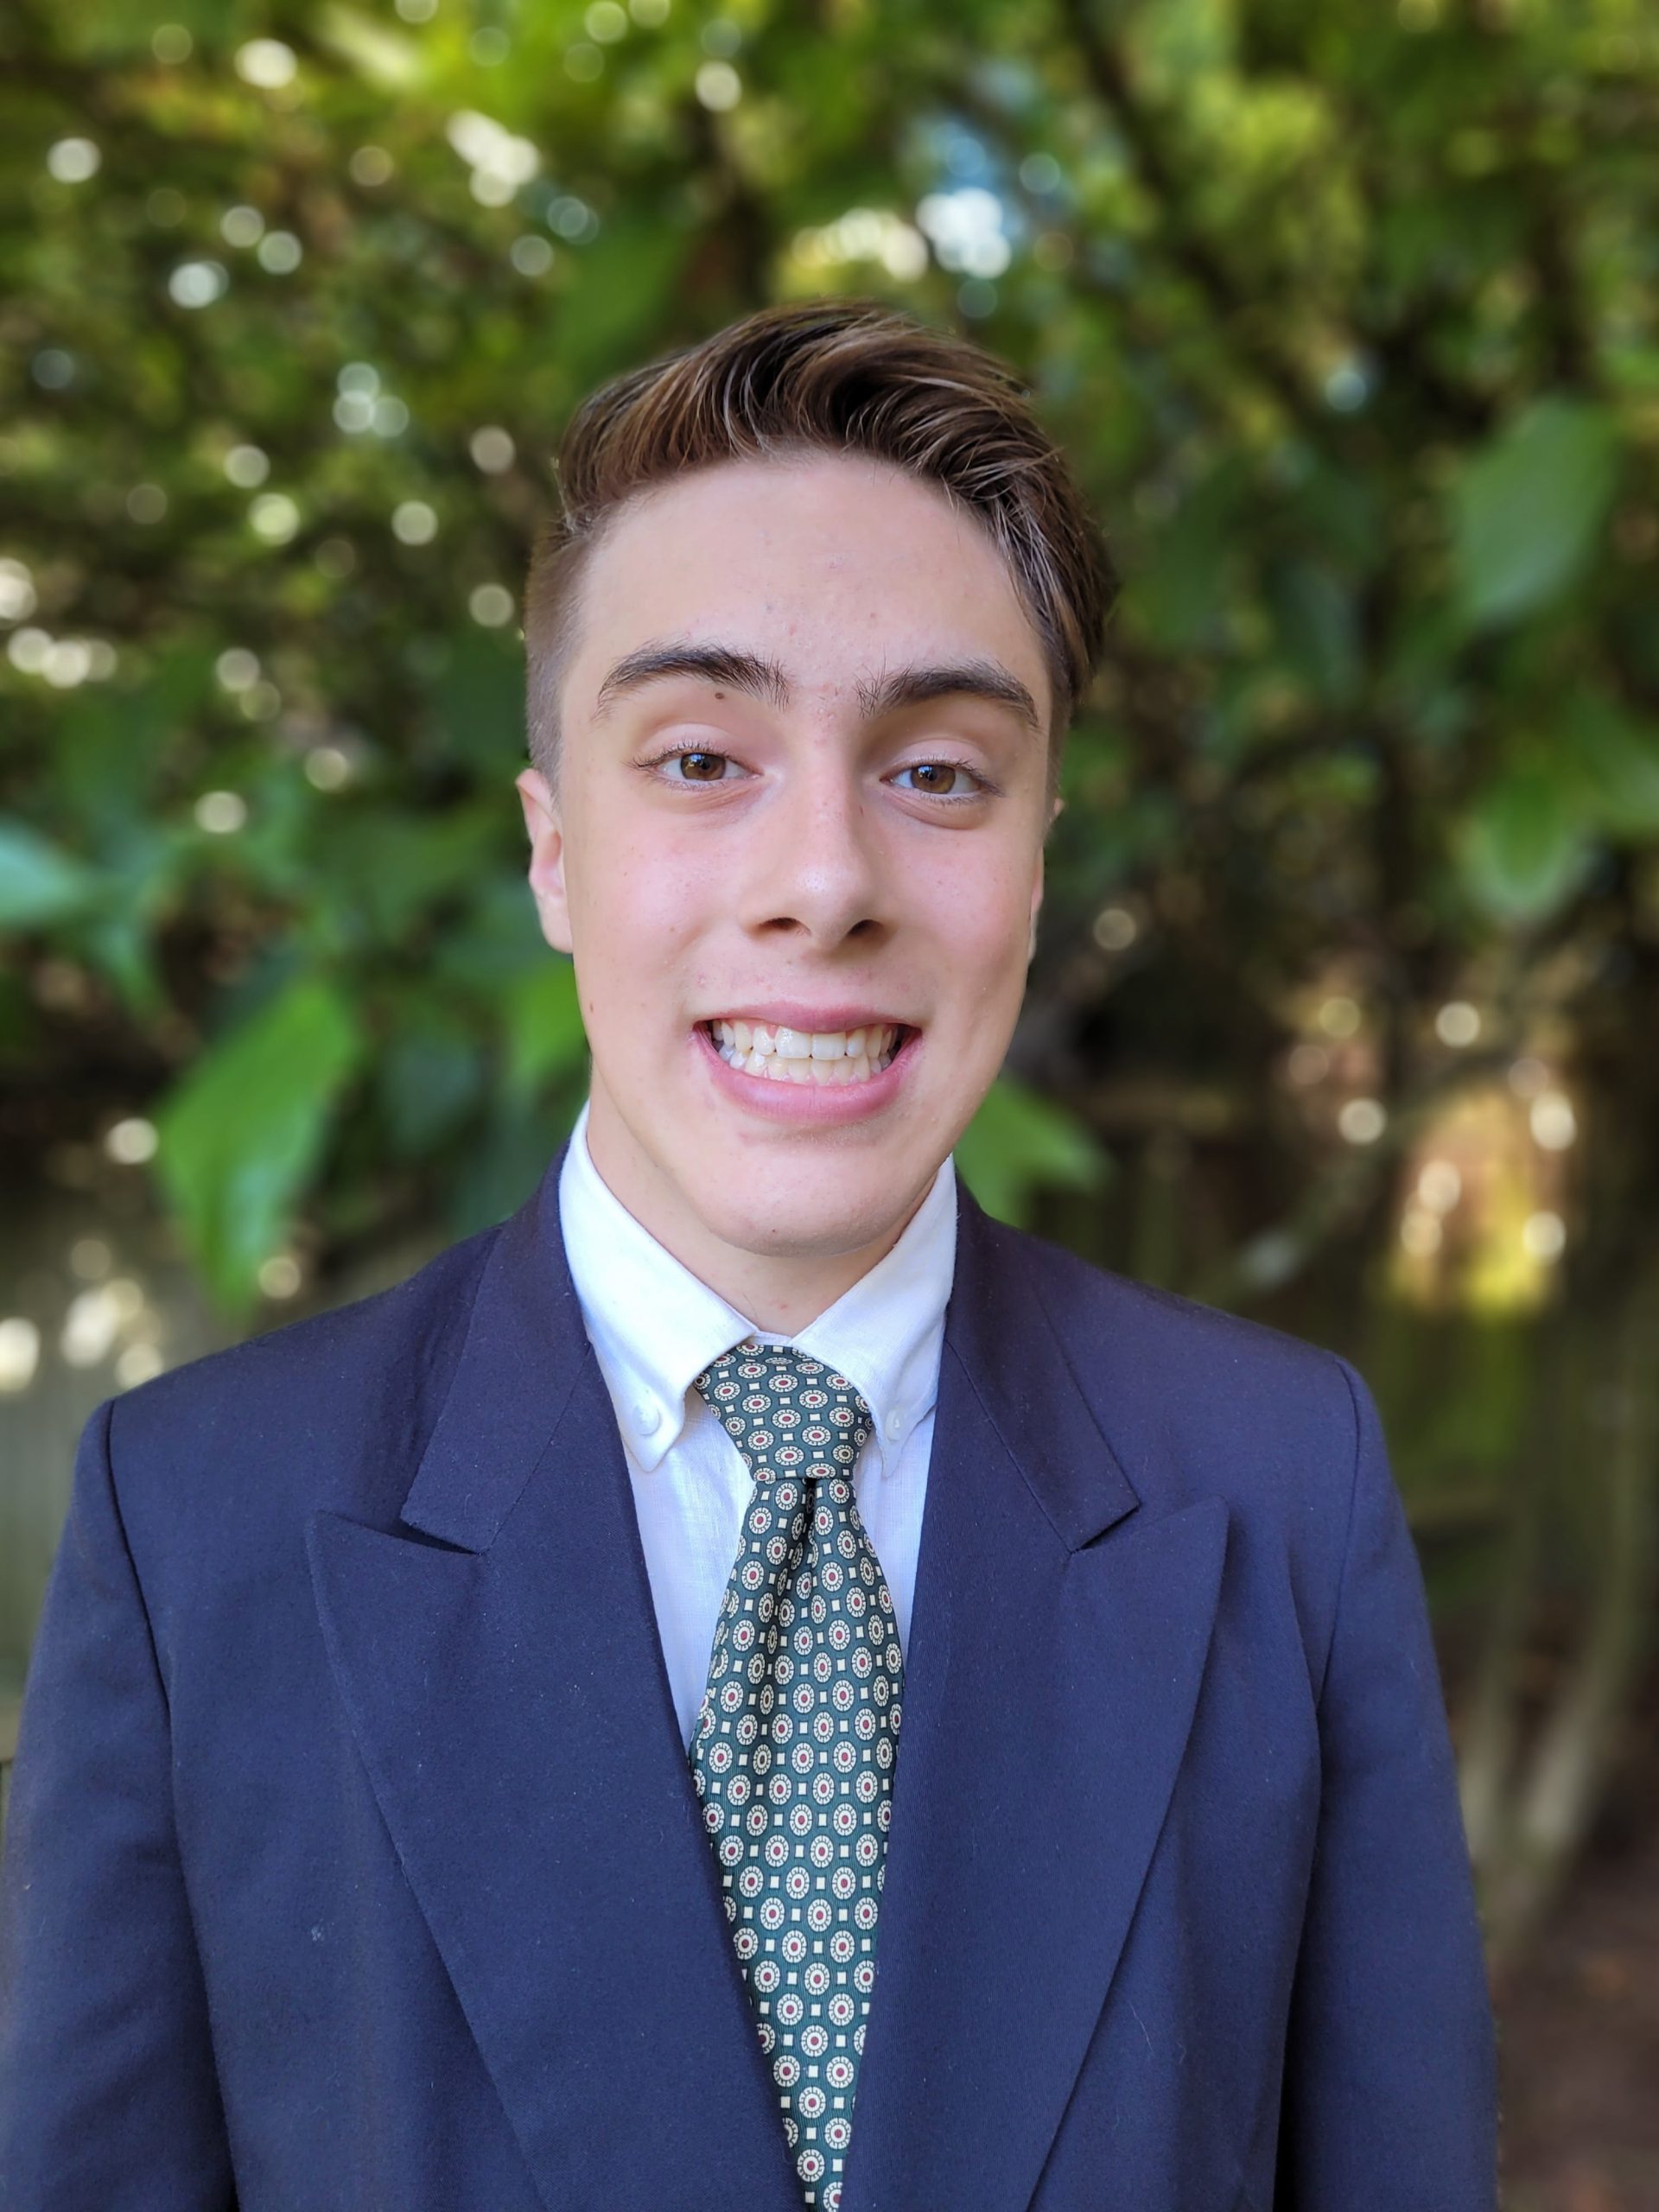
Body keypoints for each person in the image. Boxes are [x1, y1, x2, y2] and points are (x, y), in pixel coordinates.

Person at [0, 297, 1497, 2210]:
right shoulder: (197, 1518)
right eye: (703, 758)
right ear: (554, 850)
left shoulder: (1283, 1479)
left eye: (938, 773)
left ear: (1038, 857)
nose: (826, 881)